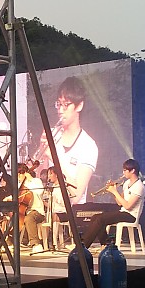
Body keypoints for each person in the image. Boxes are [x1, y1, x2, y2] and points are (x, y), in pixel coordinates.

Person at [36, 76, 98, 204]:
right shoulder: (52, 134)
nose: (60, 110)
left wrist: (53, 156)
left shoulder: (89, 146)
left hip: (72, 211)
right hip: (47, 207)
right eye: (58, 104)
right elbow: (39, 181)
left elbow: (75, 195)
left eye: (66, 105)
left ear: (79, 106)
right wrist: (42, 152)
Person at [82, 159, 145, 249]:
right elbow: (119, 203)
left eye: (125, 170)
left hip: (131, 215)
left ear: (132, 171)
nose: (123, 173)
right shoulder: (127, 183)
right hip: (123, 212)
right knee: (95, 217)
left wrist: (114, 191)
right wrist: (113, 190)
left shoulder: (139, 186)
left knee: (100, 219)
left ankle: (83, 246)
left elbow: (128, 206)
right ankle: (105, 245)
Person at [17, 163, 45, 253]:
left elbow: (40, 191)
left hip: (37, 211)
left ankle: (36, 244)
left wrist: (30, 180)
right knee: (8, 217)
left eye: (19, 175)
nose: (18, 177)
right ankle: (10, 242)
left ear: (24, 173)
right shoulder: (20, 185)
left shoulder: (36, 181)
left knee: (29, 218)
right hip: (25, 211)